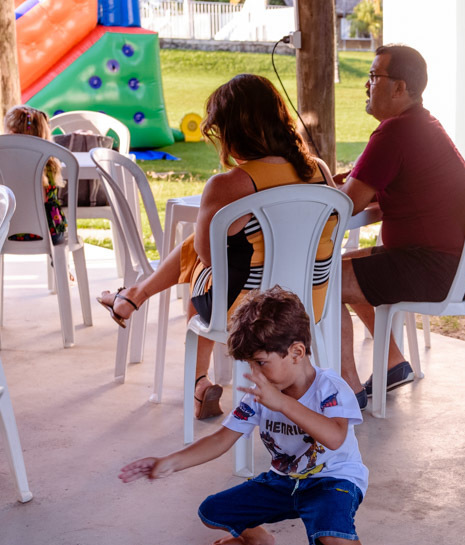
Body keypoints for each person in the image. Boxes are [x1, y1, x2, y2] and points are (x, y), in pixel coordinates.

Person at [119, 287, 375, 545]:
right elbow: (222, 439)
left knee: (331, 529)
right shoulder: (260, 395)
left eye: (261, 362)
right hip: (283, 481)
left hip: (333, 479)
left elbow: (334, 436)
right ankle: (257, 537)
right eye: (249, 364)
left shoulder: (330, 388)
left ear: (296, 352)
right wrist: (169, 461)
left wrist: (281, 403)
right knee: (212, 512)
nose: (253, 372)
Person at [96, 74, 340, 418]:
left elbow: (209, 258)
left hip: (249, 313)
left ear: (231, 131)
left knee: (202, 262)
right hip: (308, 306)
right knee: (210, 257)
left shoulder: (230, 184)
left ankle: (196, 379)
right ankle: (132, 297)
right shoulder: (320, 171)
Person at [335, 44, 465, 405]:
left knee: (319, 279)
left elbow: (345, 205)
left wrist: (326, 187)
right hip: (458, 265)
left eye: (374, 77)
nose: (366, 86)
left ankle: (348, 390)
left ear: (400, 88)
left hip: (434, 268)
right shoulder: (420, 124)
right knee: (338, 264)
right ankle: (392, 363)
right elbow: (381, 186)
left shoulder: (394, 134)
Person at [2, 105, 67, 245]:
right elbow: (43, 200)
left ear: (12, 134)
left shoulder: (4, 162)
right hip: (48, 233)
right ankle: (59, 264)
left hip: (6, 231)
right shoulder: (50, 163)